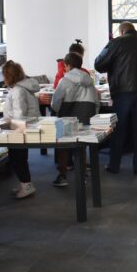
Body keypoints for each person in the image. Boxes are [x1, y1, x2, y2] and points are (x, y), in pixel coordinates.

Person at [94, 21, 137, 176]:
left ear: (121, 32)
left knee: (119, 128)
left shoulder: (115, 43)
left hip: (121, 92)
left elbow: (98, 64)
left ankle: (114, 165)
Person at [51, 52, 99, 188]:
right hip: (86, 117)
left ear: (67, 65)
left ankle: (62, 176)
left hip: (67, 117)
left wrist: (56, 110)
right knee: (81, 146)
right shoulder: (89, 81)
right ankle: (82, 175)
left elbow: (55, 103)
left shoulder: (64, 81)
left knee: (63, 145)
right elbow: (96, 101)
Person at [2, 60, 41, 200]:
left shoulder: (18, 90)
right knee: (21, 158)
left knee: (17, 158)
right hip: (25, 127)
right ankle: (25, 183)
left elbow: (19, 114)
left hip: (19, 129)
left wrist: (11, 127)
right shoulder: (24, 87)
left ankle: (26, 185)